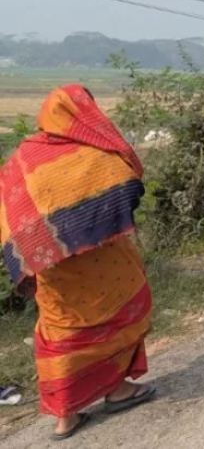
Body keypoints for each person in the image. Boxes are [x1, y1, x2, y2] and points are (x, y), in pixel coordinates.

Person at [0, 85, 155, 440]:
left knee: (62, 336)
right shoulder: (91, 153)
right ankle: (118, 390)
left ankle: (65, 417)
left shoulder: (19, 162)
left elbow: (10, 219)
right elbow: (127, 186)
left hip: (52, 271)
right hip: (103, 265)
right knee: (120, 314)